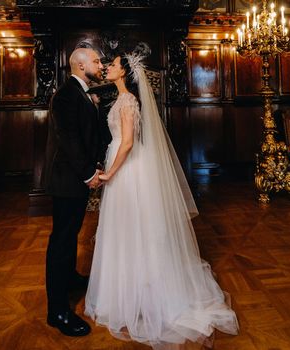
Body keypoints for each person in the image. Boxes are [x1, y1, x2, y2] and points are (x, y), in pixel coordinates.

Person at [84, 46, 239, 349]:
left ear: (124, 72)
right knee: (128, 228)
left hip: (127, 169)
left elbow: (127, 144)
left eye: (113, 65)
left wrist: (111, 173)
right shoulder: (121, 99)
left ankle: (142, 290)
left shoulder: (128, 101)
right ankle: (128, 287)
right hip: (124, 166)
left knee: (132, 227)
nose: (108, 69)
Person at [43, 47, 108, 337]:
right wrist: (89, 174)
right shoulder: (66, 94)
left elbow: (86, 134)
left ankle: (69, 278)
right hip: (68, 181)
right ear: (81, 66)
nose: (100, 64)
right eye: (96, 61)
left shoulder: (82, 93)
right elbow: (67, 139)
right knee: (62, 240)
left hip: (74, 180)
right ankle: (57, 311)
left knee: (70, 235)